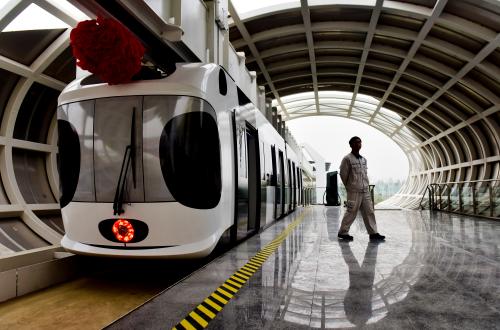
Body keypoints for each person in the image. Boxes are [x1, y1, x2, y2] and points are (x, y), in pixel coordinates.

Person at [337, 136, 385, 241]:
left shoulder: (363, 160)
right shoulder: (347, 159)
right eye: (356, 143)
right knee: (351, 211)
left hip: (365, 190)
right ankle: (343, 232)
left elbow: (365, 175)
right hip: (354, 191)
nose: (358, 144)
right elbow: (343, 174)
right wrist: (350, 186)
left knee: (369, 211)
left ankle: (373, 233)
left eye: (360, 142)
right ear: (351, 145)